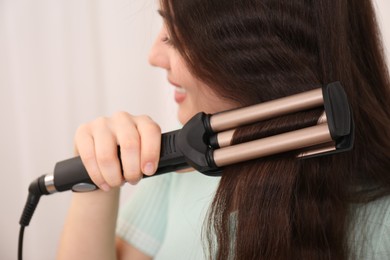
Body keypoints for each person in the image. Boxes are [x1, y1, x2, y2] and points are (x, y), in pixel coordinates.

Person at [57, 0, 390, 259]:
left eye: (173, 34)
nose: (154, 56)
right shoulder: (180, 163)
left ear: (255, 51)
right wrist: (95, 179)